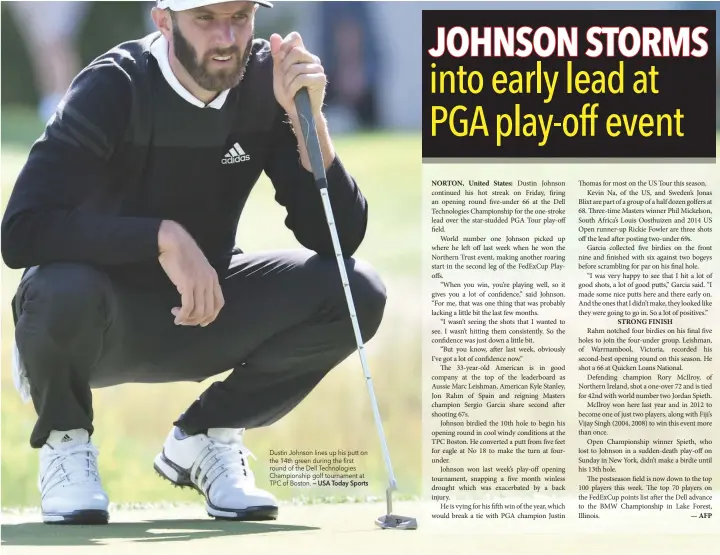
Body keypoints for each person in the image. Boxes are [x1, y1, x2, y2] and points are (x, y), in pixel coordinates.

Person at [1, 0, 386, 525]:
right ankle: (66, 442)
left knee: (356, 289)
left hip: (206, 308)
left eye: (240, 17)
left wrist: (307, 119)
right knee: (56, 287)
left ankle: (206, 435)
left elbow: (338, 241)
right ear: (164, 22)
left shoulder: (265, 86)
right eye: (205, 19)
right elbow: (22, 231)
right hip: (96, 319)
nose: (227, 36)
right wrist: (161, 238)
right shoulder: (114, 85)